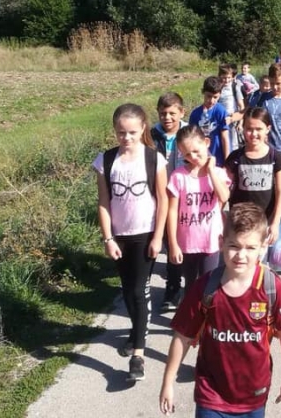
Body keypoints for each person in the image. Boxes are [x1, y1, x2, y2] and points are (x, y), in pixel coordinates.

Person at [159, 203, 281, 416]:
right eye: (234, 246)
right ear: (221, 243)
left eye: (250, 248)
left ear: (263, 247)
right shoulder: (205, 287)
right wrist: (168, 382)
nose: (241, 255)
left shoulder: (270, 286)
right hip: (211, 394)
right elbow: (183, 337)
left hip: (254, 396)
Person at [95, 103, 168, 382]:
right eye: (121, 132)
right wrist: (108, 238)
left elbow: (163, 200)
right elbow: (104, 202)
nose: (126, 138)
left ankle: (138, 354)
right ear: (115, 131)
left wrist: (158, 237)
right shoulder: (106, 160)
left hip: (145, 234)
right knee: (127, 290)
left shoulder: (153, 159)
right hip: (120, 236)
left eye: (132, 132)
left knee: (139, 290)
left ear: (143, 129)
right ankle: (135, 332)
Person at [166, 125, 231, 292]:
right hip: (187, 242)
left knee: (209, 285)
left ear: (206, 143)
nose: (193, 157)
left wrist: (210, 171)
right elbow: (172, 211)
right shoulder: (178, 176)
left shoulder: (218, 173)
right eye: (187, 154)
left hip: (211, 240)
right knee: (191, 286)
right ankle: (190, 309)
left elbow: (224, 196)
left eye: (196, 151)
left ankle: (207, 310)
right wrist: (173, 243)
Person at [224, 108, 281, 247]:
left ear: (268, 129)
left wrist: (275, 223)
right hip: (240, 222)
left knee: (261, 256)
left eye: (258, 129)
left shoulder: (275, 157)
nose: (253, 134)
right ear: (243, 128)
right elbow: (223, 189)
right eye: (249, 129)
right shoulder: (235, 157)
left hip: (265, 222)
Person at [152, 91, 188, 312]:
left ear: (182, 112)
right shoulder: (151, 136)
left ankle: (194, 288)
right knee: (171, 242)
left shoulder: (190, 133)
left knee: (189, 244)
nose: (167, 118)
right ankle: (172, 290)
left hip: (187, 198)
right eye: (163, 113)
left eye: (172, 113)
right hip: (161, 198)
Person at [189, 77, 230, 167]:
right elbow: (192, 138)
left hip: (218, 158)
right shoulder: (195, 114)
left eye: (215, 97)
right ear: (203, 92)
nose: (211, 100)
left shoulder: (221, 111)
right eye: (209, 96)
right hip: (201, 159)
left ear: (220, 95)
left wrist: (227, 162)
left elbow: (225, 138)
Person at [217, 64, 246, 154]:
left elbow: (241, 106)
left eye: (229, 77)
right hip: (220, 119)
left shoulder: (234, 87)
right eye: (224, 78)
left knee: (234, 144)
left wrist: (240, 123)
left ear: (232, 77)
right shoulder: (218, 88)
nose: (226, 80)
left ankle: (233, 160)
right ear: (220, 76)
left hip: (233, 119)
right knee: (222, 142)